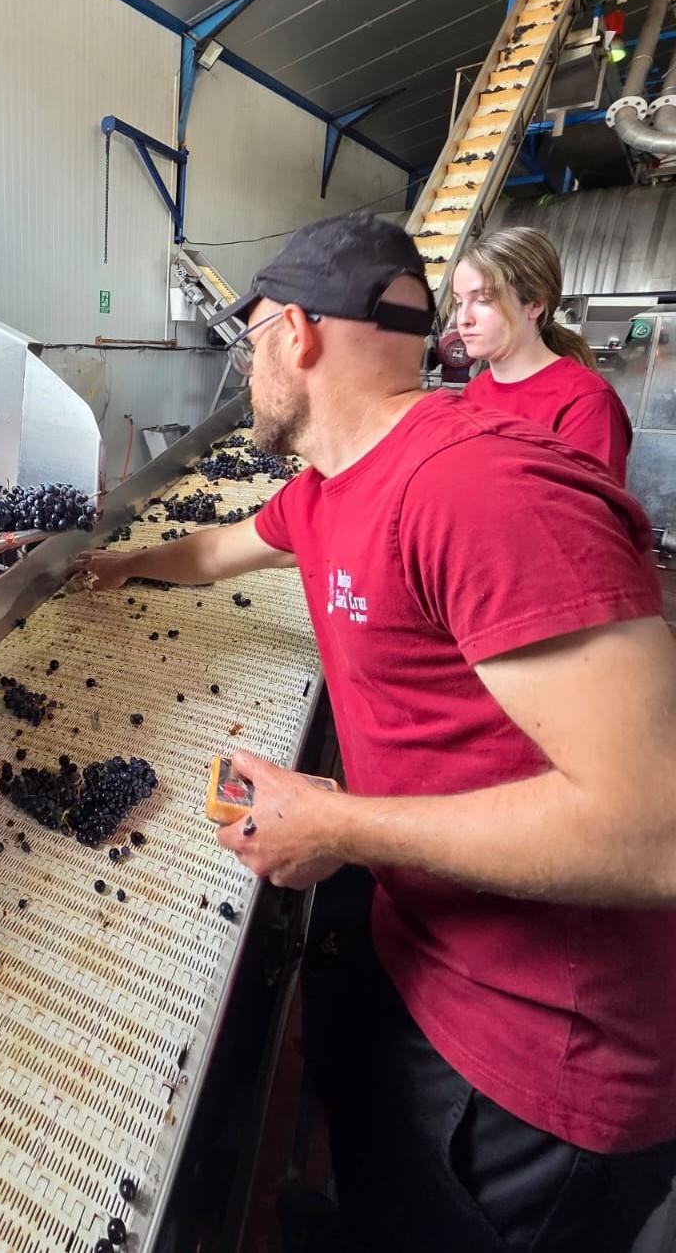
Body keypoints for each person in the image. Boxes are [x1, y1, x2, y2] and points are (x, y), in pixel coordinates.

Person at [76, 213, 676, 1253]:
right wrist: (111, 564)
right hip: (426, 961)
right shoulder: (332, 487)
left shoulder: (476, 490)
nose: (248, 366)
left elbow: (655, 830)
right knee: (373, 1175)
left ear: (298, 332)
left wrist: (342, 826)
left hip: (538, 1060)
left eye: (251, 338)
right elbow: (218, 550)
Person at [447, 226, 633, 484]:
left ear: (535, 303)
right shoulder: (473, 393)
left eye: (484, 300)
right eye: (459, 302)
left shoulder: (585, 401)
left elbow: (588, 507)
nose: (463, 319)